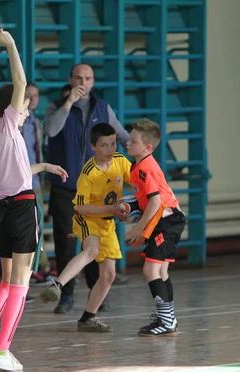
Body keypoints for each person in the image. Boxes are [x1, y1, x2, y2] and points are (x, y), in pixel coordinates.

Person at [0, 24, 67, 371]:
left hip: (5, 210)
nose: (26, 111)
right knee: (20, 286)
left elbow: (15, 172)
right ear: (12, 107)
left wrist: (44, 166)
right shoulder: (8, 124)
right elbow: (20, 84)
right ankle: (3, 351)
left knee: (8, 283)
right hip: (22, 210)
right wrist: (10, 46)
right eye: (22, 107)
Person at [43, 63, 129, 313]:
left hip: (96, 193)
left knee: (95, 245)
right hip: (66, 188)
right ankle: (66, 296)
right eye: (78, 78)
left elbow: (122, 135)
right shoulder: (56, 106)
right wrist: (68, 103)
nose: (83, 82)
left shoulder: (102, 108)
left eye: (88, 78)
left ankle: (95, 295)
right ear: (70, 79)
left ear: (93, 81)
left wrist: (142, 149)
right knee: (66, 245)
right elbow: (50, 130)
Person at [39, 123, 130, 332]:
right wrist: (112, 208)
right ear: (92, 147)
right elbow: (80, 207)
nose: (110, 149)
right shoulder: (88, 172)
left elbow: (138, 184)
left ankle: (87, 318)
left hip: (108, 221)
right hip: (86, 218)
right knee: (92, 250)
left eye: (114, 144)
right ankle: (57, 285)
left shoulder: (120, 162)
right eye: (104, 145)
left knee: (108, 275)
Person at [124, 119, 187, 336]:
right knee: (160, 271)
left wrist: (138, 229)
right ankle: (168, 319)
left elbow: (156, 201)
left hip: (166, 221)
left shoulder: (145, 169)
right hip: (169, 220)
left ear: (147, 147)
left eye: (133, 141)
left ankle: (167, 322)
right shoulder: (140, 165)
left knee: (150, 270)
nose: (127, 143)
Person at [23, 82, 50, 283]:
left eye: (36, 96)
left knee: (38, 224)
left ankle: (42, 266)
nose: (33, 99)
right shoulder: (17, 122)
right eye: (28, 95)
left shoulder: (35, 121)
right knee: (27, 226)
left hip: (35, 180)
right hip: (20, 181)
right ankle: (34, 267)